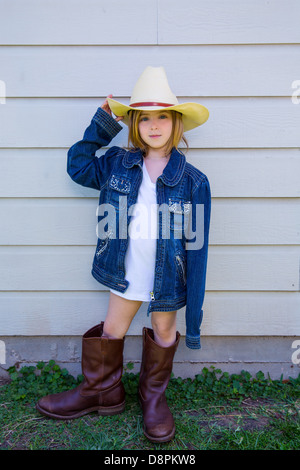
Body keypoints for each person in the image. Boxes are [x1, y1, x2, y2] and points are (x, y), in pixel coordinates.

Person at [36, 66, 211, 443]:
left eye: (162, 116)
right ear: (133, 123)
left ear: (176, 122)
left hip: (166, 276)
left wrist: (193, 312)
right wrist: (102, 124)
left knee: (164, 330)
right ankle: (101, 391)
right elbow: (78, 166)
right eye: (143, 117)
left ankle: (153, 397)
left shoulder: (194, 181)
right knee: (113, 328)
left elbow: (197, 248)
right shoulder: (118, 163)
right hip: (125, 270)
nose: (153, 125)